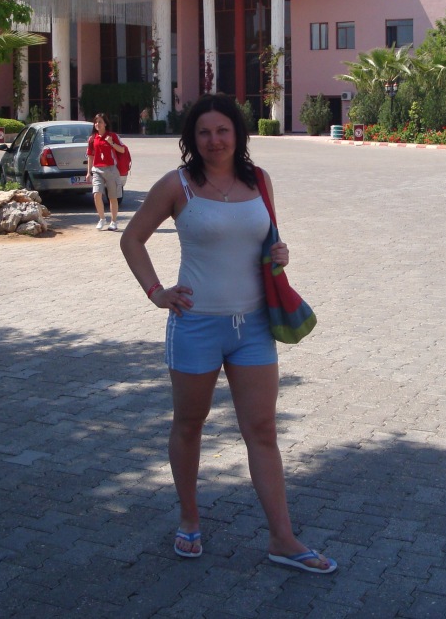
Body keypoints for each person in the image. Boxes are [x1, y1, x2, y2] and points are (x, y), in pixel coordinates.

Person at [119, 93, 337, 574]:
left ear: (237, 133)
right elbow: (131, 238)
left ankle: (282, 539)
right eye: (204, 132)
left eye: (222, 130)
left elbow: (264, 240)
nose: (214, 140)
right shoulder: (177, 185)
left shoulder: (259, 181)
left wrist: (279, 253)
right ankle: (190, 518)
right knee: (189, 424)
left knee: (262, 430)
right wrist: (156, 292)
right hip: (196, 325)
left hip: (254, 326)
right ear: (191, 138)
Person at [86, 113, 127, 231]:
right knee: (96, 194)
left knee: (113, 197)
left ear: (105, 123)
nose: (97, 124)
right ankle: (102, 219)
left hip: (111, 169)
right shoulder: (92, 138)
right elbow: (90, 156)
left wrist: (111, 143)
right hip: (97, 170)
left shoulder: (112, 136)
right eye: (96, 122)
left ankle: (113, 222)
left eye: (100, 122)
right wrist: (88, 172)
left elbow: (122, 150)